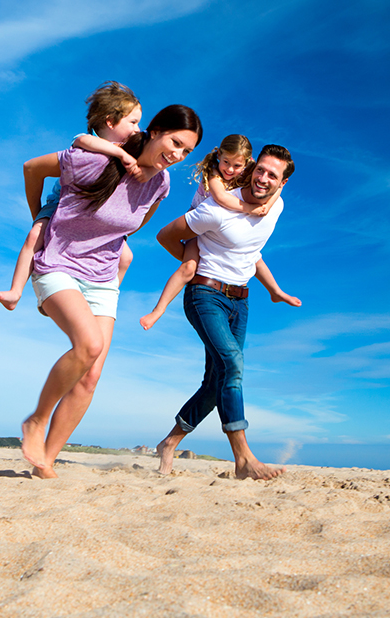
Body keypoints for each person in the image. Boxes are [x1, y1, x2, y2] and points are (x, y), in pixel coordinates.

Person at [20, 105, 203, 478]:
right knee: (89, 345)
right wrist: (39, 214)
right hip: (58, 263)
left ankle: (46, 462)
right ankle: (36, 421)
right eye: (175, 142)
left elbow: (131, 225)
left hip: (103, 276)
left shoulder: (161, 184)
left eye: (186, 152)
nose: (178, 155)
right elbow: (31, 168)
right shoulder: (97, 159)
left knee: (90, 375)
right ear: (154, 131)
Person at [154, 144, 300, 480]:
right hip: (205, 295)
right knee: (233, 364)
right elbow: (165, 235)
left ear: (283, 183)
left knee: (217, 380)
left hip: (241, 301)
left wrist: (274, 290)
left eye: (272, 175)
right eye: (260, 170)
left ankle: (169, 443)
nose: (263, 179)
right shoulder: (216, 209)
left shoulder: (276, 206)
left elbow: (252, 252)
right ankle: (244, 458)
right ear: (253, 166)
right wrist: (194, 265)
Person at [0, 81, 144, 310]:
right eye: (133, 122)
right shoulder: (89, 142)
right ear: (110, 121)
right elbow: (82, 141)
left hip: (96, 215)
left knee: (126, 257)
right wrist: (120, 153)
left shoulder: (129, 150)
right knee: (35, 236)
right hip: (62, 205)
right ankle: (15, 292)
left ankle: (99, 296)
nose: (137, 129)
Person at [139, 134, 300, 330]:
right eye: (226, 162)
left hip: (220, 231)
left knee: (250, 255)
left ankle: (275, 291)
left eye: (236, 166)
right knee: (189, 268)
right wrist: (250, 209)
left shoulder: (253, 172)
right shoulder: (214, 173)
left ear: (248, 163)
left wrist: (267, 206)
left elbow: (277, 186)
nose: (230, 170)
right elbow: (222, 199)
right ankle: (158, 310)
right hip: (197, 226)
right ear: (219, 157)